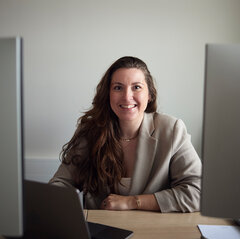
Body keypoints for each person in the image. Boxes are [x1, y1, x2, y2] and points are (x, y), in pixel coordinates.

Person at [49, 56, 202, 212]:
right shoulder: (89, 131)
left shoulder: (172, 130)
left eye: (136, 87)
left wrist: (133, 202)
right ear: (108, 94)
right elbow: (60, 184)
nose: (127, 97)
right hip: (100, 230)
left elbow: (198, 192)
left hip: (153, 232)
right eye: (118, 87)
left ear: (149, 94)